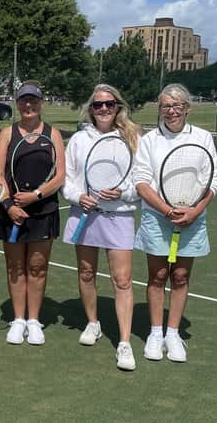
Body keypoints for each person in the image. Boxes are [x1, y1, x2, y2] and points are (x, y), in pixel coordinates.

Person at [133, 83, 217, 363]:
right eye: (166, 106)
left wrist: (194, 211)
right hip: (157, 218)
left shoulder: (204, 137)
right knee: (157, 276)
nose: (171, 111)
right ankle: (156, 333)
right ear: (160, 109)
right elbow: (142, 182)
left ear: (187, 108)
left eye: (177, 105)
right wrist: (167, 210)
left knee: (180, 276)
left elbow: (212, 180)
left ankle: (173, 333)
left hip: (193, 219)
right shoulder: (149, 141)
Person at [61, 84, 142, 371]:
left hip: (118, 216)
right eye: (98, 105)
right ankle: (92, 323)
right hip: (85, 214)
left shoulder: (131, 137)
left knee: (122, 280)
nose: (104, 109)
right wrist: (77, 196)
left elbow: (140, 181)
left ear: (118, 106)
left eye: (109, 104)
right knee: (86, 273)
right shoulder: (79, 140)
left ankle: (124, 343)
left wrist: (124, 194)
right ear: (91, 109)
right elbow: (67, 180)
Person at [0, 81, 66, 346]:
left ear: (41, 103)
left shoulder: (53, 134)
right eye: (23, 100)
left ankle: (33, 321)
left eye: (33, 100)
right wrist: (9, 205)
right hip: (11, 211)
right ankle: (18, 319)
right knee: (15, 267)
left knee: (37, 267)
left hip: (43, 211)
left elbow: (59, 176)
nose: (28, 105)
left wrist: (35, 195)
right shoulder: (7, 134)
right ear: (17, 103)